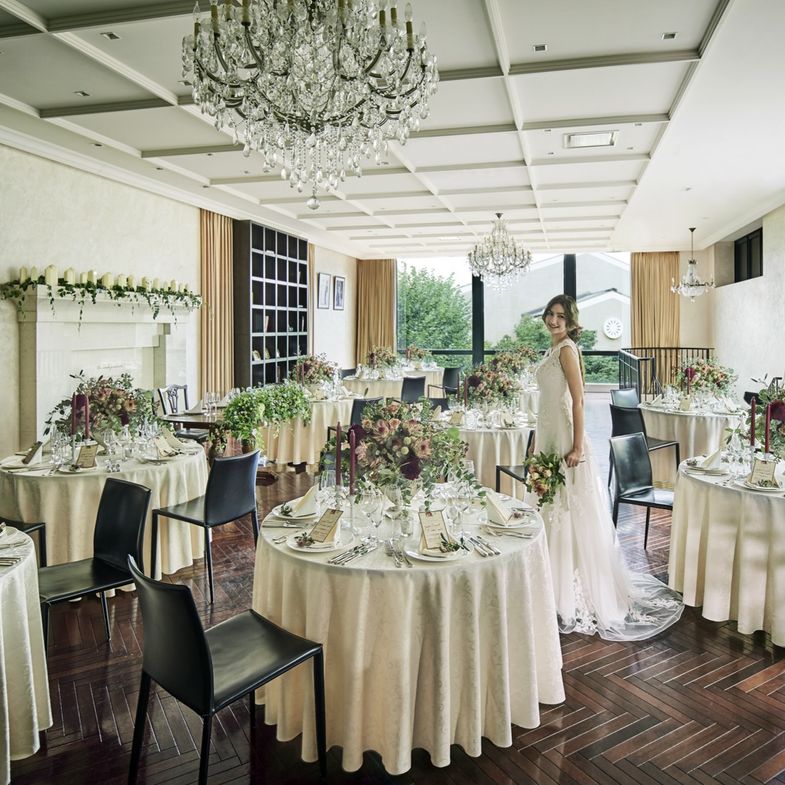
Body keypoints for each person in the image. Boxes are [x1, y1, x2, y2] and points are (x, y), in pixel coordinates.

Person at [532, 294, 683, 640]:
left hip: (565, 438)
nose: (553, 320)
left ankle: (568, 591)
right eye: (550, 314)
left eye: (560, 316)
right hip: (549, 436)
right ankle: (548, 582)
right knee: (552, 506)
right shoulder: (553, 349)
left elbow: (578, 400)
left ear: (570, 321)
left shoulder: (567, 350)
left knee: (569, 507)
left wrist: (577, 446)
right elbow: (547, 401)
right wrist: (538, 441)